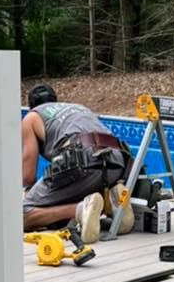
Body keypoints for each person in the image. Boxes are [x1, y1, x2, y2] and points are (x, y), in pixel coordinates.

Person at [21, 84, 135, 241]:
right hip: (117, 159)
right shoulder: (78, 107)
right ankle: (112, 203)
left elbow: (27, 177)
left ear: (31, 106)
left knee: (21, 215)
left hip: (80, 159)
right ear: (56, 100)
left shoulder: (31, 117)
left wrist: (29, 193)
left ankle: (81, 210)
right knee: (76, 184)